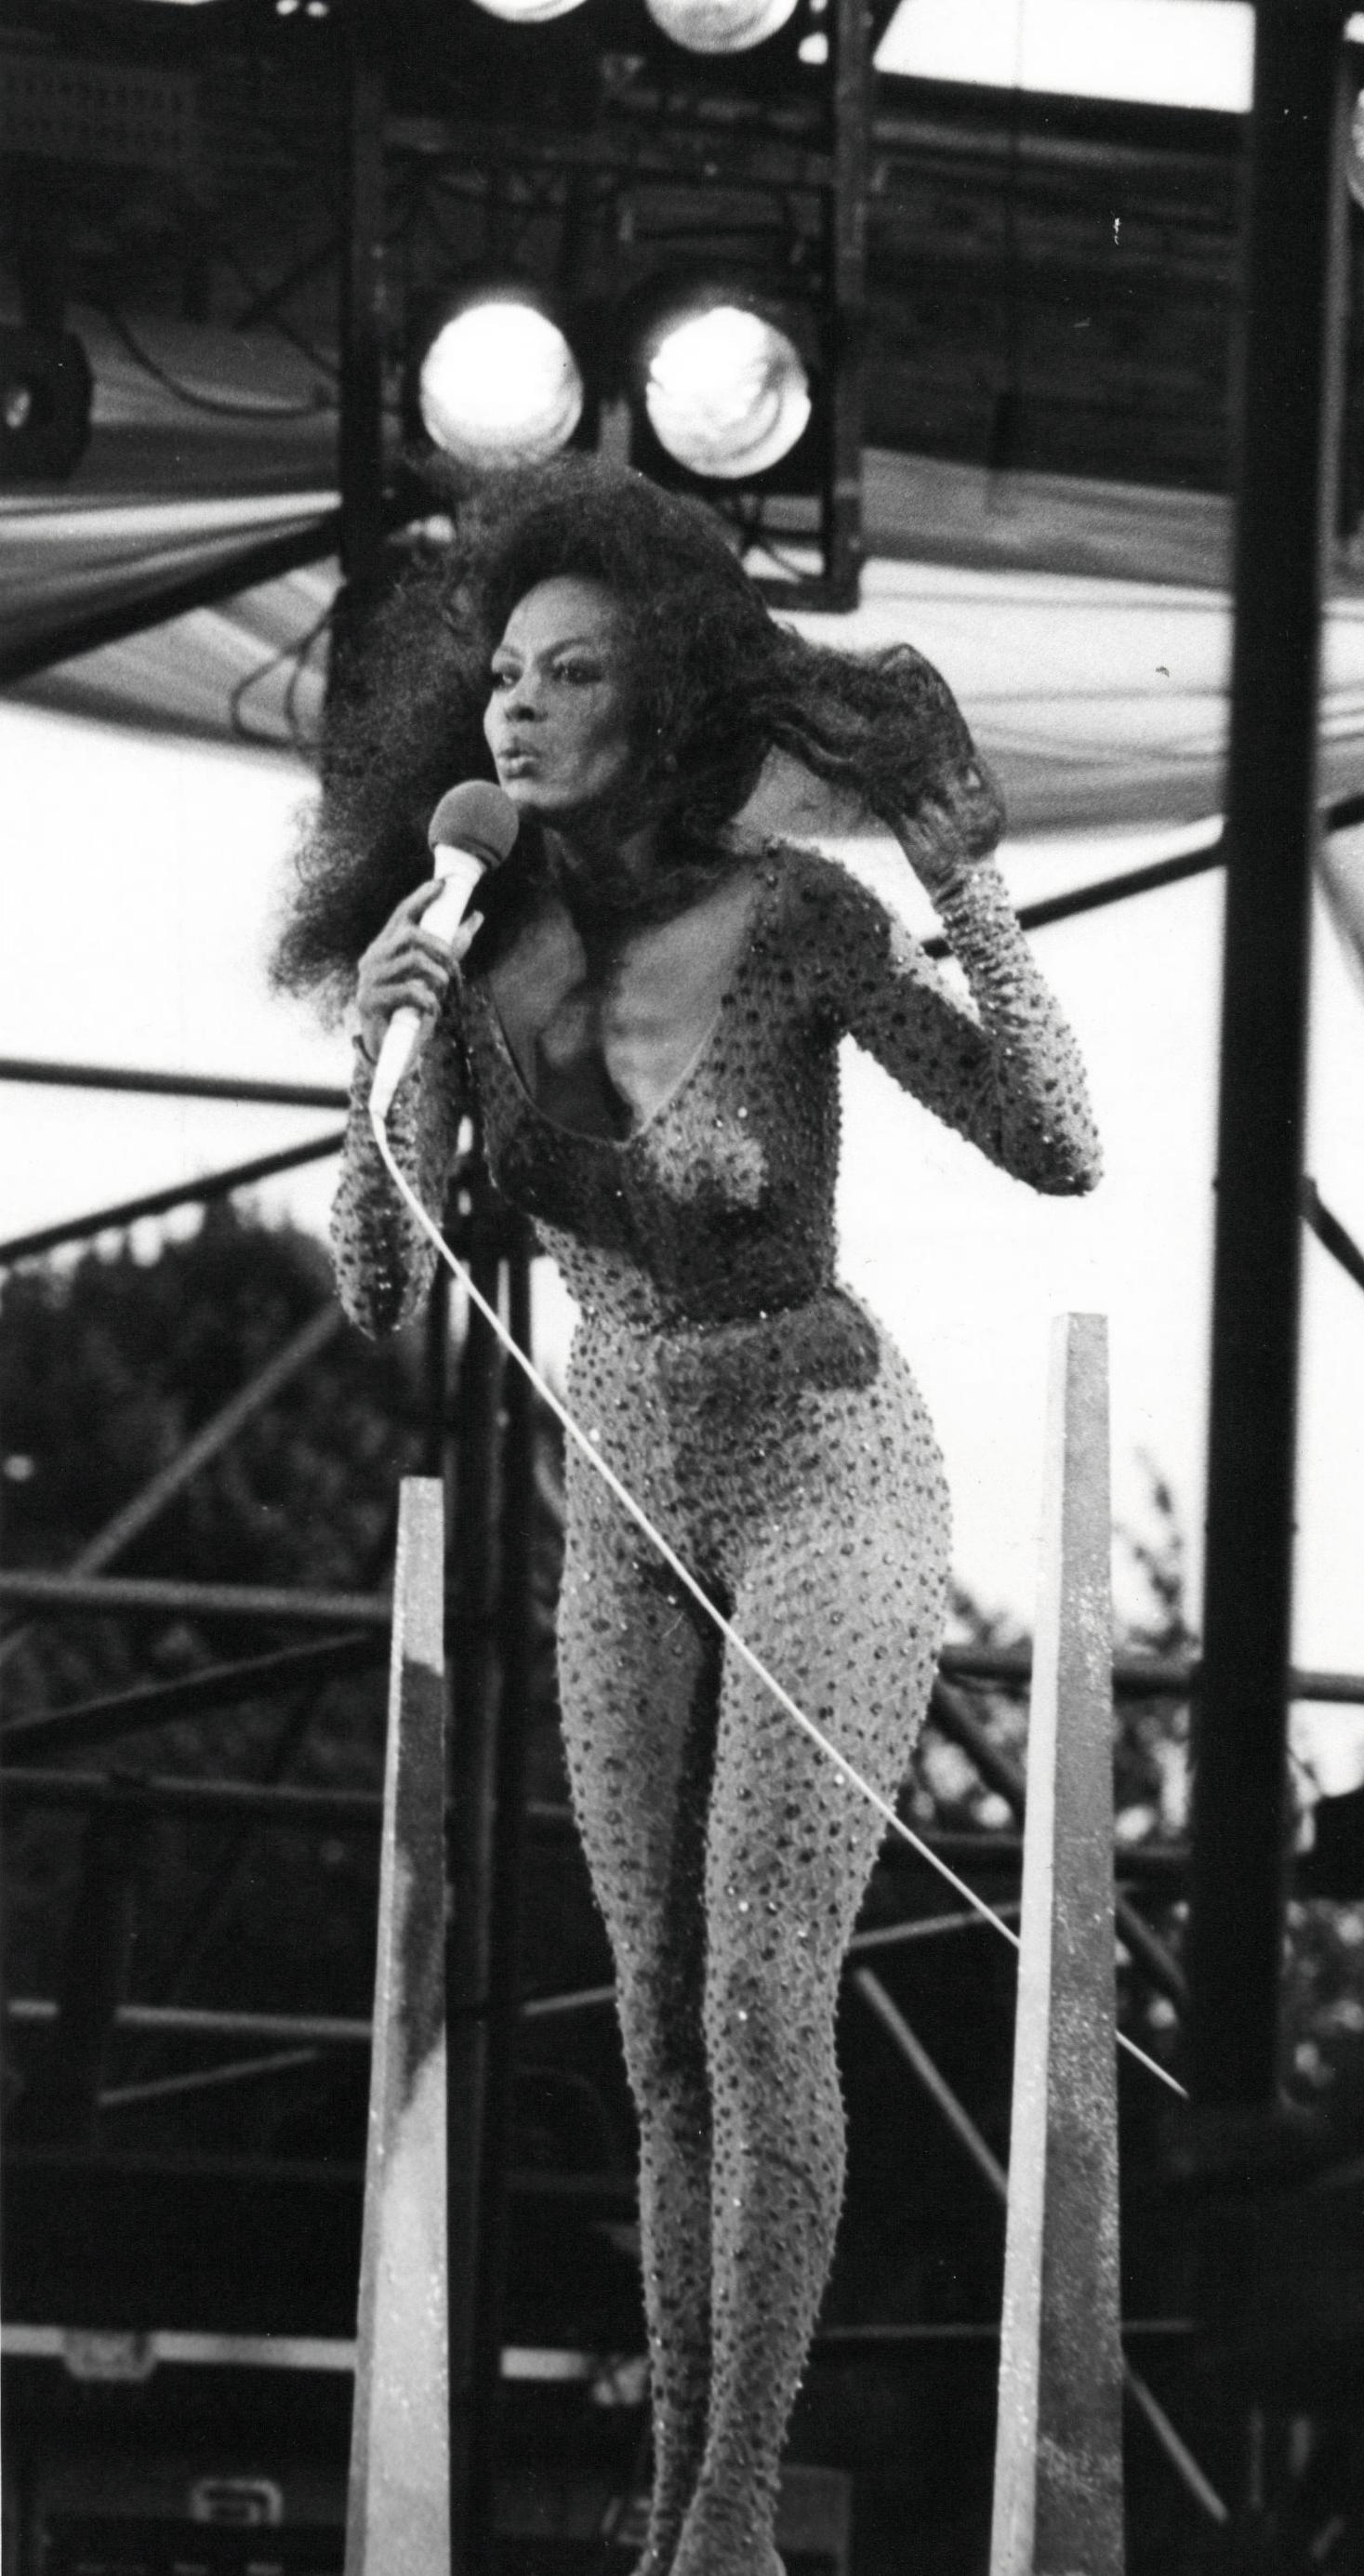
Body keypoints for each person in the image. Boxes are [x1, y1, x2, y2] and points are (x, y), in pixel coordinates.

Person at [276, 454, 1100, 2576]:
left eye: (570, 677)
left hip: (827, 1451)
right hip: (623, 1496)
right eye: (503, 678)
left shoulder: (796, 917)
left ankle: (735, 2510)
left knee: (760, 1999)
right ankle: (672, 2509)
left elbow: (1060, 1141)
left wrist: (970, 890)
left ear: (666, 700)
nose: (516, 715)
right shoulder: (469, 948)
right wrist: (369, 1075)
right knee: (652, 2036)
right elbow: (381, 1293)